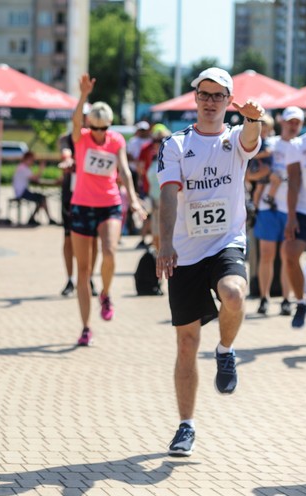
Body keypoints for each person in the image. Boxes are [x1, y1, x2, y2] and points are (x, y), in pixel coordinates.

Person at [157, 67, 263, 457]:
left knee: (234, 293)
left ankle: (225, 350)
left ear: (228, 101)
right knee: (186, 343)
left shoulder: (236, 138)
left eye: (219, 95)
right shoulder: (175, 144)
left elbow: (251, 138)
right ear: (195, 98)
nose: (211, 101)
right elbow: (168, 194)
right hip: (185, 250)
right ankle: (186, 425)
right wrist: (164, 242)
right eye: (205, 94)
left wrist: (253, 118)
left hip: (225, 242)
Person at [70, 74, 145, 346]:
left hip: (110, 204)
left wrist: (134, 200)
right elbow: (76, 121)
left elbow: (124, 170)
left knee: (110, 251)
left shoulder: (116, 141)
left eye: (104, 128)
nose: (100, 133)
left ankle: (106, 293)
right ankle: (86, 326)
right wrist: (82, 96)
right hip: (82, 205)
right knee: (83, 270)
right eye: (96, 128)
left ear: (110, 126)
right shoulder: (82, 138)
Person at [253, 108, 302, 316]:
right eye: (290, 121)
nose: (293, 126)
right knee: (266, 255)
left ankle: (285, 300)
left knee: (288, 256)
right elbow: (251, 174)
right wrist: (268, 174)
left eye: (297, 123)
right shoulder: (270, 145)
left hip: (293, 209)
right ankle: (264, 298)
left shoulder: (303, 146)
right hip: (268, 206)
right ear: (282, 122)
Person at [58, 108, 99, 297]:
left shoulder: (98, 138)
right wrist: (68, 160)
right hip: (71, 195)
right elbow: (66, 152)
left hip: (92, 196)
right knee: (68, 238)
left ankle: (89, 277)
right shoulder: (66, 138)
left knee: (93, 240)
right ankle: (70, 279)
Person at [283, 102, 306, 332]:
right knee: (291, 253)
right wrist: (291, 216)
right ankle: (301, 303)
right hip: (304, 212)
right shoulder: (298, 145)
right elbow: (293, 182)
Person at [12, 151, 50, 225]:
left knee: (40, 198)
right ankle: (47, 218)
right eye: (32, 160)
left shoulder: (21, 167)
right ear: (28, 159)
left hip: (21, 191)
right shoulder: (24, 168)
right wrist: (41, 168)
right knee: (41, 198)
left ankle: (33, 218)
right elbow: (35, 178)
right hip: (22, 192)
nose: (33, 162)